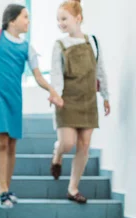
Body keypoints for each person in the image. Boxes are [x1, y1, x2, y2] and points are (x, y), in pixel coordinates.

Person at [0, 4, 64, 209]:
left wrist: (52, 91)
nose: (28, 21)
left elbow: (38, 76)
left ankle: (7, 189)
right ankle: (1, 191)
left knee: (11, 144)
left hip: (14, 99)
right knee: (0, 140)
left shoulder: (27, 48)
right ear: (12, 20)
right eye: (25, 17)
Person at [50, 0, 110, 204]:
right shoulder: (60, 45)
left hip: (88, 101)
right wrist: (56, 95)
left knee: (84, 145)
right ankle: (57, 155)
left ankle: (73, 188)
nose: (61, 23)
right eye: (58, 20)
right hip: (66, 102)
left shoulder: (92, 41)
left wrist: (106, 96)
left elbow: (100, 71)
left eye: (64, 18)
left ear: (78, 18)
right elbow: (57, 75)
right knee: (67, 143)